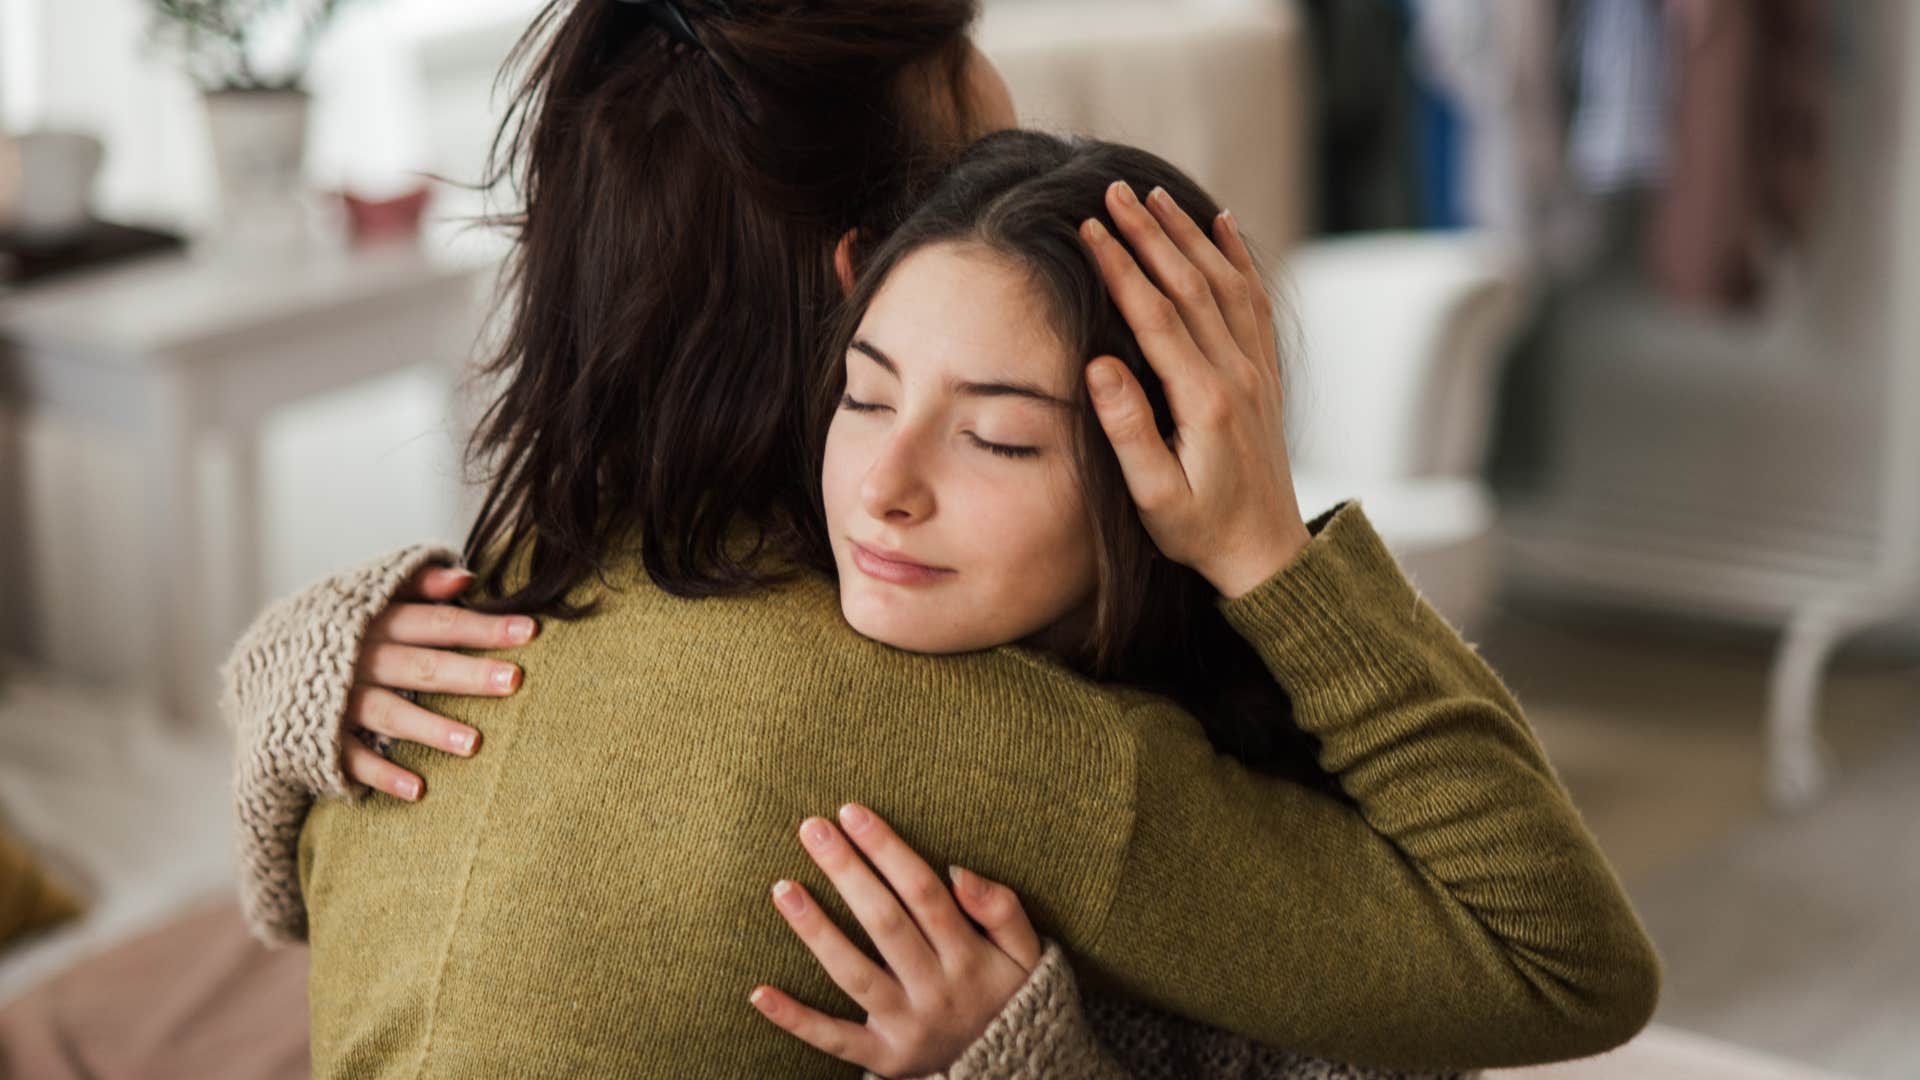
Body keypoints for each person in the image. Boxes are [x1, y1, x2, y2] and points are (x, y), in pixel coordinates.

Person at [219, 3, 1661, 1077]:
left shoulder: (491, 586)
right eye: (984, 156)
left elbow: (285, 905)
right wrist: (1274, 555)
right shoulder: (988, 744)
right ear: (868, 278)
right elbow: (1558, 963)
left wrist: (275, 674)